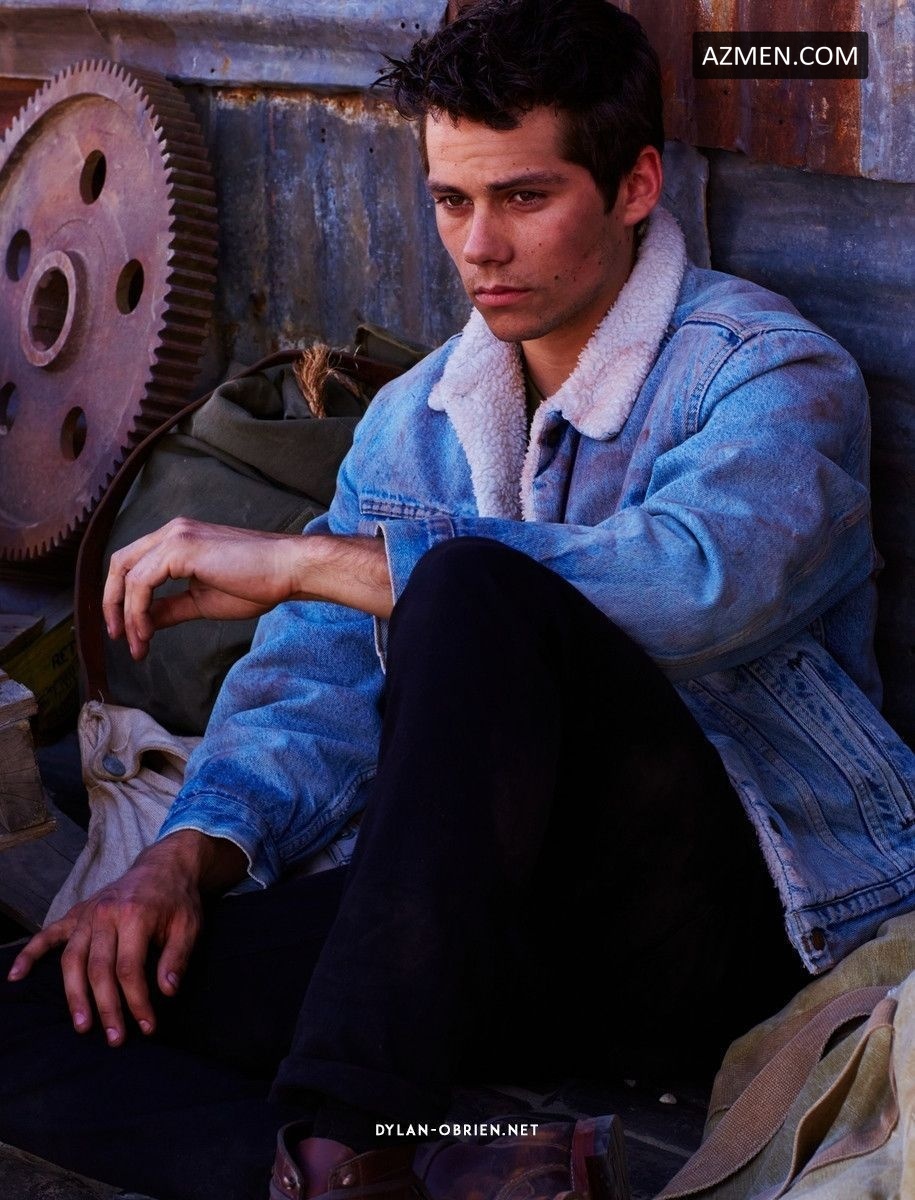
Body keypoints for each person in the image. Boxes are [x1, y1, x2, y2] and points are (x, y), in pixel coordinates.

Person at [3, 1, 914, 1198]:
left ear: (636, 186)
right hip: (471, 926)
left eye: (524, 198)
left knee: (476, 590)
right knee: (45, 1009)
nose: (479, 246)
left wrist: (304, 561)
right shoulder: (416, 418)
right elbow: (309, 684)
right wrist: (184, 856)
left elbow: (695, 584)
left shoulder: (770, 372)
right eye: (451, 200)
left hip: (730, 919)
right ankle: (398, 1179)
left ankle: (347, 1136)